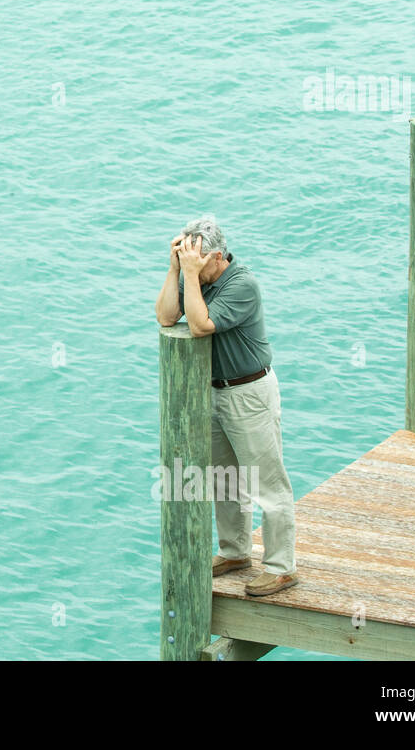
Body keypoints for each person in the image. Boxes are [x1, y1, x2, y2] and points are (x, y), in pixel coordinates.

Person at [153, 216, 298, 596]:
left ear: (216, 256)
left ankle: (282, 567)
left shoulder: (243, 284)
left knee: (268, 482)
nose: (192, 273)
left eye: (197, 264)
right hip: (215, 391)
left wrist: (189, 271)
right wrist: (176, 270)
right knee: (225, 478)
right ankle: (235, 551)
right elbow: (167, 316)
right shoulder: (195, 275)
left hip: (249, 392)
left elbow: (200, 325)